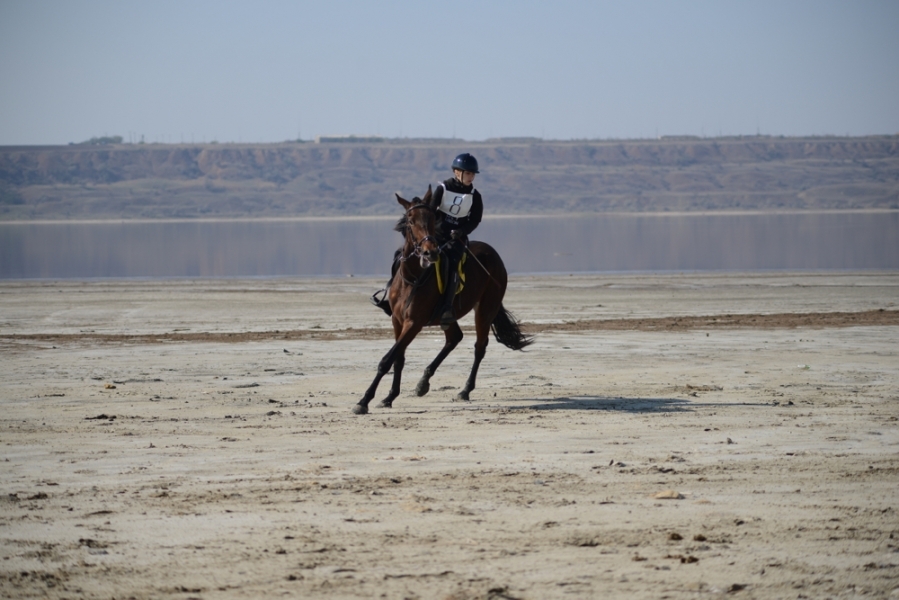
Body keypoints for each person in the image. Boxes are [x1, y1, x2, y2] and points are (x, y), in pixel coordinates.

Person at [371, 153, 484, 330]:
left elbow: (475, 219)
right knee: (400, 254)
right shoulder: (443, 189)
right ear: (457, 172)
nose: (472, 177)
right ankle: (391, 295)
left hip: (457, 239)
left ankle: (447, 307)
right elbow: (429, 214)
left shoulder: (475, 196)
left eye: (473, 174)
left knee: (452, 263)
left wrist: (462, 231)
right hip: (435, 234)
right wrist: (429, 232)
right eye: (468, 173)